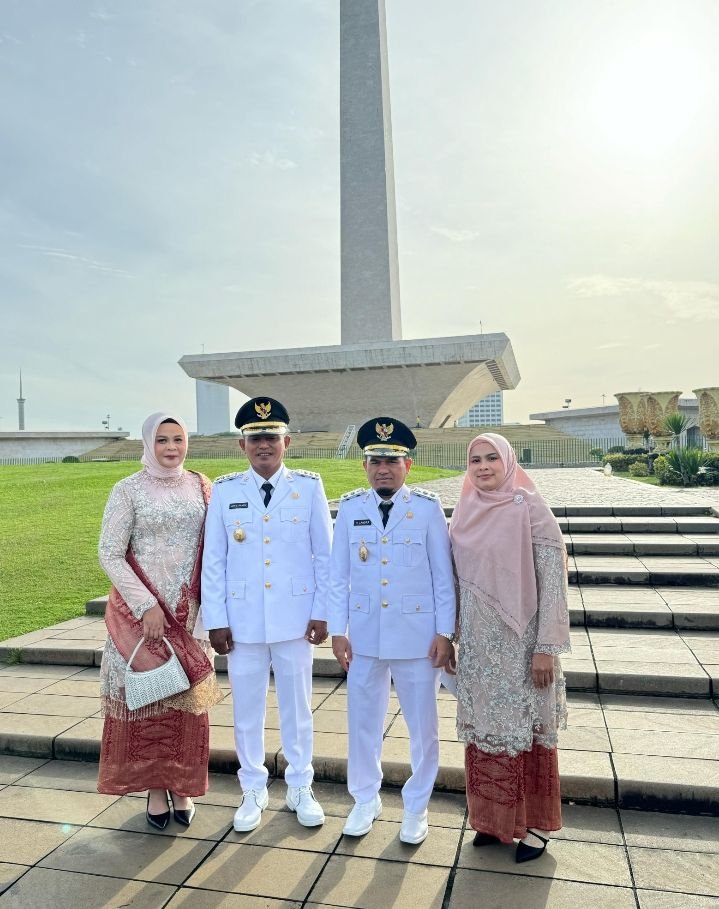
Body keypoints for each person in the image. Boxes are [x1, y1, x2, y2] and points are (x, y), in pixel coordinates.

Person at [200, 397, 332, 831]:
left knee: (298, 709)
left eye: (271, 437)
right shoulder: (225, 490)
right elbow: (213, 560)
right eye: (255, 438)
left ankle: (299, 786)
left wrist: (321, 611)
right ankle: (253, 788)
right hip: (242, 622)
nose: (263, 445)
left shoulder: (309, 487)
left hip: (295, 620)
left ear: (286, 441)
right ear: (242, 444)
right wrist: (215, 619)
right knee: (247, 711)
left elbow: (323, 557)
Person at [328, 417, 455, 845]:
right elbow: (337, 575)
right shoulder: (349, 508)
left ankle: (417, 806)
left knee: (423, 727)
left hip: (418, 637)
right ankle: (365, 798)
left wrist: (445, 632)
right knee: (362, 722)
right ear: (364, 466)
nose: (384, 468)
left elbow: (443, 577)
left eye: (392, 461)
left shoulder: (426, 508)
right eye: (376, 461)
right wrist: (337, 630)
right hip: (364, 636)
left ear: (409, 465)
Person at [448, 432, 570, 863]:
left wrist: (547, 648)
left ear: (508, 462)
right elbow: (453, 584)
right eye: (475, 459)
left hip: (523, 650)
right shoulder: (463, 512)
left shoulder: (530, 509)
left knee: (528, 734)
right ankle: (492, 822)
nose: (483, 467)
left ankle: (535, 827)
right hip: (480, 651)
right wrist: (449, 636)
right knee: (486, 735)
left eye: (491, 459)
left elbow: (553, 583)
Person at [97, 413, 222, 830]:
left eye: (179, 439)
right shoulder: (128, 490)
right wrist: (146, 604)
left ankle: (182, 786)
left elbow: (217, 548)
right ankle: (154, 789)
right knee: (149, 699)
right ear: (149, 443)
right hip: (141, 616)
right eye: (163, 440)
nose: (171, 448)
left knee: (186, 704)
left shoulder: (203, 488)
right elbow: (110, 553)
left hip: (189, 615)